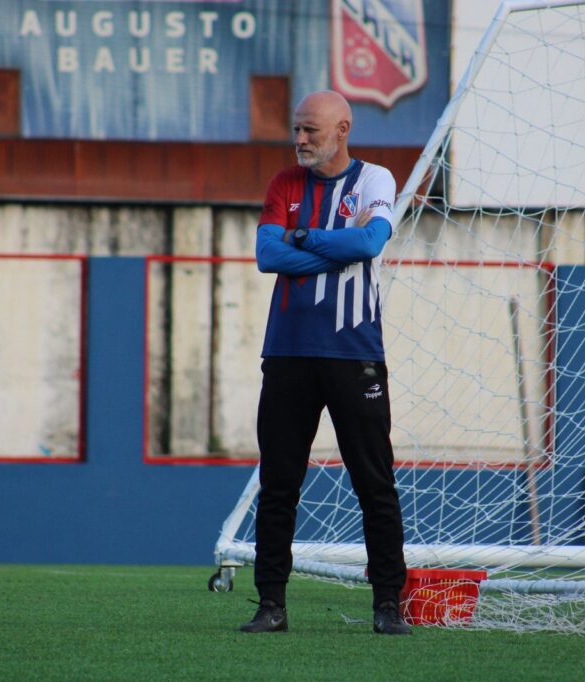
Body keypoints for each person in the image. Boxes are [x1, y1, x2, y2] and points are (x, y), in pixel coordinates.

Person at [239, 90, 410, 635]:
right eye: (296, 130)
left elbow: (370, 243)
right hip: (287, 354)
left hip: (354, 354)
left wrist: (306, 237)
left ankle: (387, 605)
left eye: (310, 130)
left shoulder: (376, 180)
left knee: (373, 482)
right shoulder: (283, 184)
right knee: (280, 482)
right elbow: (268, 256)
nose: (300, 140)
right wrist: (336, 242)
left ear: (343, 128)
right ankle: (271, 606)